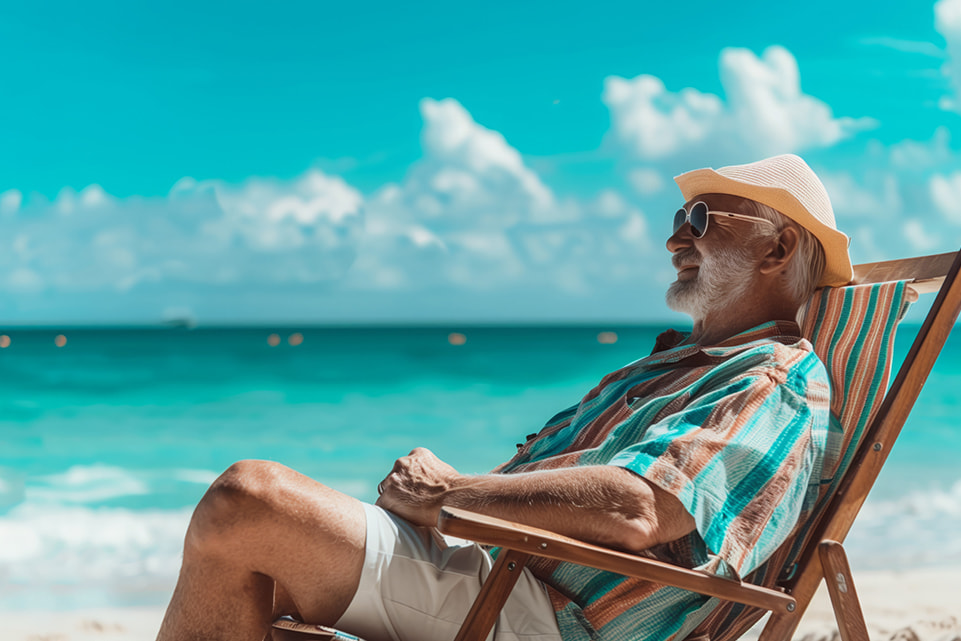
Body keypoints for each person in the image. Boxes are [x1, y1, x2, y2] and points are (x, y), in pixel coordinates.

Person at [156, 154, 853, 641]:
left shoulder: (769, 382)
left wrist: (448, 494)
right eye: (678, 215)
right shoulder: (679, 365)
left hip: (550, 614)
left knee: (248, 502)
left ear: (776, 248)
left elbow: (643, 505)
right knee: (249, 580)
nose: (675, 236)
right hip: (507, 573)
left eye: (701, 217)